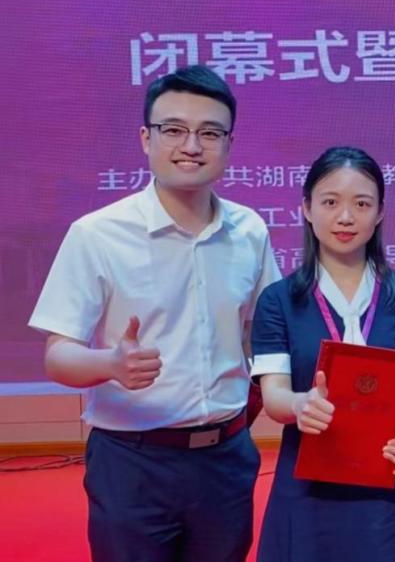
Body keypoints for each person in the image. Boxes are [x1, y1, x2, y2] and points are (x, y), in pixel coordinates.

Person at [29, 65, 280, 561]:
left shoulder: (249, 231)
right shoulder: (97, 234)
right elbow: (58, 356)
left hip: (226, 459)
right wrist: (109, 364)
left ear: (229, 144)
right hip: (133, 462)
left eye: (210, 133)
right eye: (174, 130)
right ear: (146, 139)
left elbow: (264, 333)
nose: (192, 146)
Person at [251, 146, 395, 562]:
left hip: (387, 487)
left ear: (380, 212)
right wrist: (300, 404)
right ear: (306, 208)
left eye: (362, 204)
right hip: (307, 488)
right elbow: (274, 395)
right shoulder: (279, 301)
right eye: (330, 202)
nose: (346, 217)